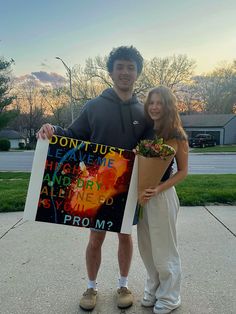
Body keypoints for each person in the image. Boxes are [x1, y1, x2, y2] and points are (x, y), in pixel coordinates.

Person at [37, 45, 152, 311]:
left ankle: (123, 284)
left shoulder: (144, 111)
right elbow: (72, 135)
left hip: (128, 188)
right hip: (97, 187)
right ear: (111, 72)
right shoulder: (94, 106)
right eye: (120, 67)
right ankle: (91, 288)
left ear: (137, 73)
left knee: (125, 236)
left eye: (131, 67)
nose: (125, 72)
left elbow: (150, 146)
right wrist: (53, 129)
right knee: (96, 238)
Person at [137, 86, 188, 314]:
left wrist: (158, 188)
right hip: (142, 197)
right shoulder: (146, 132)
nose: (155, 107)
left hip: (162, 197)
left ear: (168, 106)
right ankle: (154, 289)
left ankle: (170, 296)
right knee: (147, 248)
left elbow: (183, 171)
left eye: (160, 103)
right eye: (151, 103)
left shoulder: (176, 135)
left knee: (165, 249)